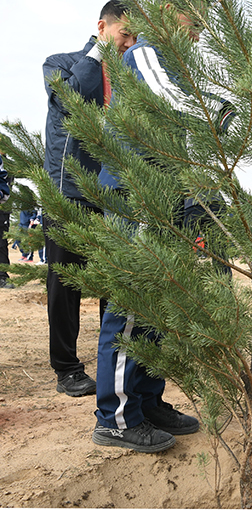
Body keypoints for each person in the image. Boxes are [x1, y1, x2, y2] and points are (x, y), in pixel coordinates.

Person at [91, 2, 252, 453]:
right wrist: (238, 120)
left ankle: (147, 403)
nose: (205, 27)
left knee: (162, 308)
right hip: (137, 200)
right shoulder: (145, 53)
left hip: (167, 204)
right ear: (170, 8)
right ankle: (114, 418)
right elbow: (173, 100)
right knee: (133, 310)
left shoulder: (176, 65)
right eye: (198, 14)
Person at [42, 0, 136, 397]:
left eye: (136, 38)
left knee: (113, 285)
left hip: (112, 195)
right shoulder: (59, 63)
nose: (130, 44)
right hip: (69, 192)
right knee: (66, 285)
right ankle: (66, 368)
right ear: (102, 26)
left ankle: (110, 362)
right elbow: (73, 97)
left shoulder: (131, 73)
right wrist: (100, 51)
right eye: (124, 35)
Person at [0, 154, 13, 289]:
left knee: (1, 243)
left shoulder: (8, 165)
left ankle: (1, 276)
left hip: (2, 209)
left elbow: (5, 185)